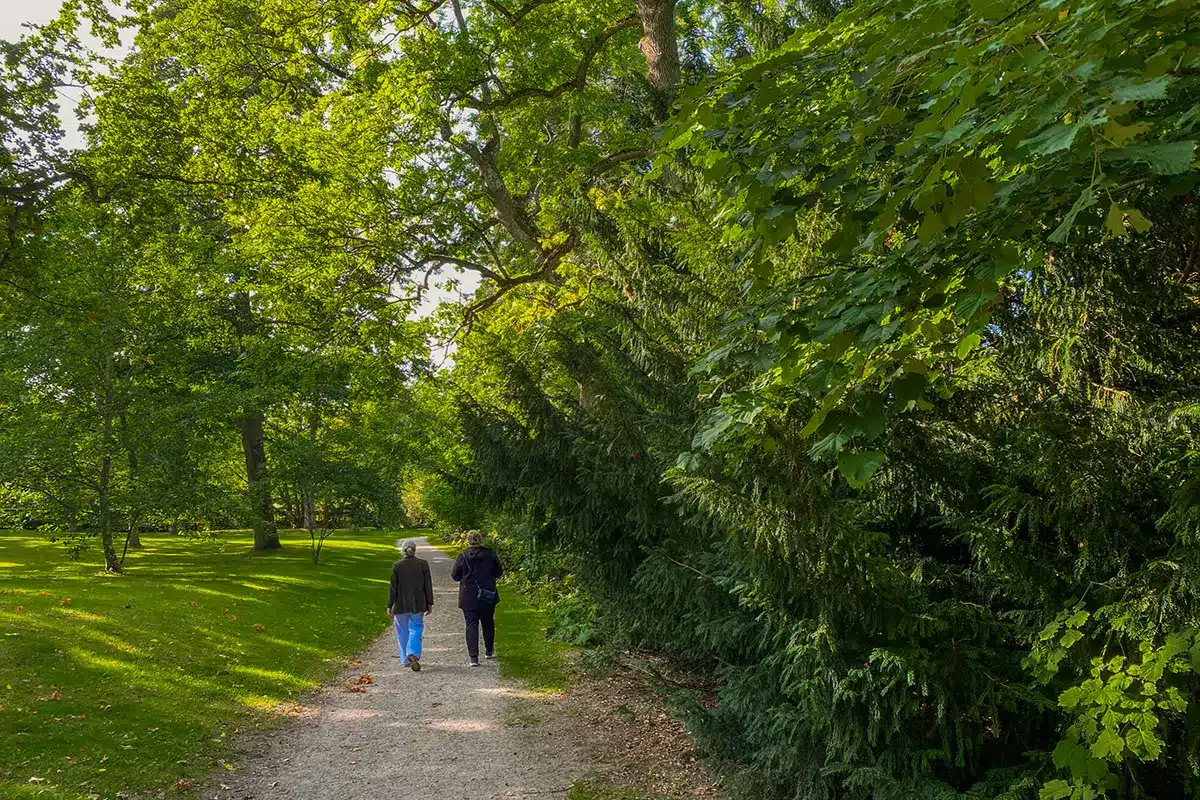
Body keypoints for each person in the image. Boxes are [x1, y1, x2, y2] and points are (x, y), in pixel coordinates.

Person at [451, 530, 503, 666]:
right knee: (488, 622)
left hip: (468, 595)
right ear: (481, 539)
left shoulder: (463, 556)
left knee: (471, 624)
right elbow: (499, 572)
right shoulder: (490, 554)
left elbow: (455, 576)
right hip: (487, 594)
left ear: (468, 541)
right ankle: (489, 650)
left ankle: (473, 658)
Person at [388, 538, 434, 672]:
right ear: (415, 550)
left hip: (400, 604)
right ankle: (413, 652)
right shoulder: (423, 564)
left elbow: (393, 588)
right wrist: (429, 602)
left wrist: (390, 605)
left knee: (402, 631)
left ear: (403, 551)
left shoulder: (397, 566)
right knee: (416, 628)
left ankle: (404, 658)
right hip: (417, 603)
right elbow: (428, 586)